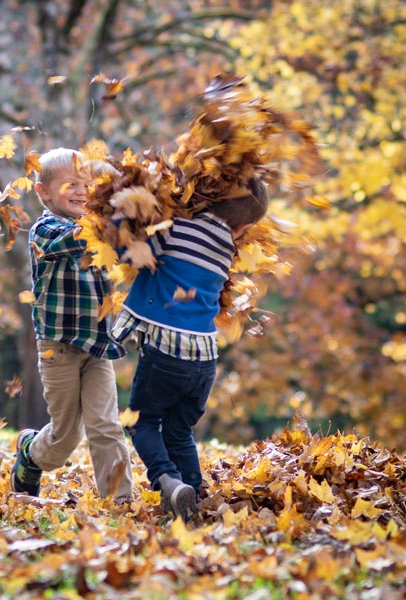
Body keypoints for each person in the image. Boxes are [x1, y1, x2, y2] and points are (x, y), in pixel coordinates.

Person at [112, 177, 269, 520]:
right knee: (179, 429)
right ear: (241, 226)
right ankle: (193, 497)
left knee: (141, 422)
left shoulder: (176, 227)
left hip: (167, 353)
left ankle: (167, 480)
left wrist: (120, 219)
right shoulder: (227, 246)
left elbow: (137, 256)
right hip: (205, 362)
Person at [10, 147, 133, 502]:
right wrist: (113, 219)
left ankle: (119, 501)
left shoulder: (99, 231)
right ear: (44, 192)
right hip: (59, 350)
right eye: (71, 184)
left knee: (105, 425)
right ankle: (30, 452)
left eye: (87, 184)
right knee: (64, 440)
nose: (82, 191)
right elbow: (75, 239)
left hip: (97, 347)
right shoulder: (45, 231)